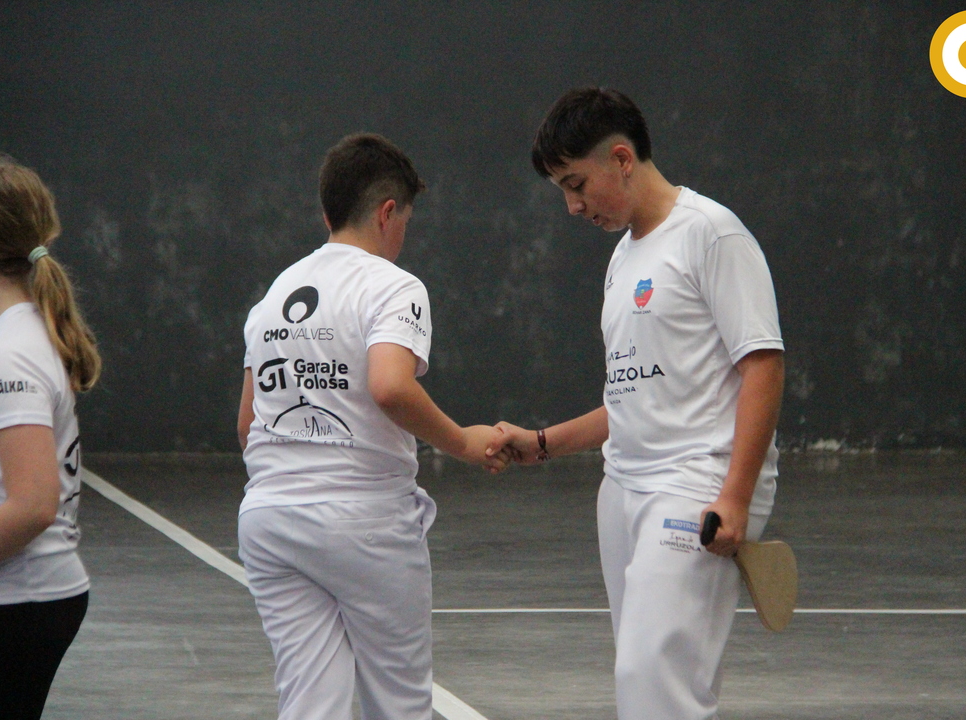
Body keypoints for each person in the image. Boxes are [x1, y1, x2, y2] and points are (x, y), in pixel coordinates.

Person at [491, 88, 785, 720]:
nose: (572, 207)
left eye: (576, 185)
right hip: (622, 490)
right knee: (641, 682)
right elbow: (632, 395)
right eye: (562, 192)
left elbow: (763, 365)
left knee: (652, 678)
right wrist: (543, 443)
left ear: (622, 159)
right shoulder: (623, 257)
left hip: (696, 485)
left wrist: (735, 497)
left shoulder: (711, 234)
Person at [237, 133, 506, 720]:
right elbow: (390, 387)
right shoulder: (393, 285)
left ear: (326, 213)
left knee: (309, 703)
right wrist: (463, 442)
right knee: (399, 702)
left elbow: (248, 423)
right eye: (405, 221)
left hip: (268, 521)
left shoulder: (274, 296)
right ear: (388, 213)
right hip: (364, 523)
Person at [0, 155, 101, 718]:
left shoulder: (8, 353)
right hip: (17, 600)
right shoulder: (22, 336)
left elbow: (33, 503)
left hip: (14, 601)